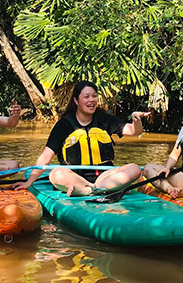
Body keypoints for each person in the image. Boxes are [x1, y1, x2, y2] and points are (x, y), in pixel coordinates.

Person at [16, 80, 150, 196]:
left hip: (104, 177)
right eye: (86, 97)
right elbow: (46, 157)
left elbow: (134, 131)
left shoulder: (104, 119)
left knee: (134, 169)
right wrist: (29, 182)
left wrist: (136, 120)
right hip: (75, 177)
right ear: (76, 100)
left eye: (94, 96)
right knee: (55, 174)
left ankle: (92, 189)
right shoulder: (64, 124)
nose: (91, 100)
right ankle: (92, 189)